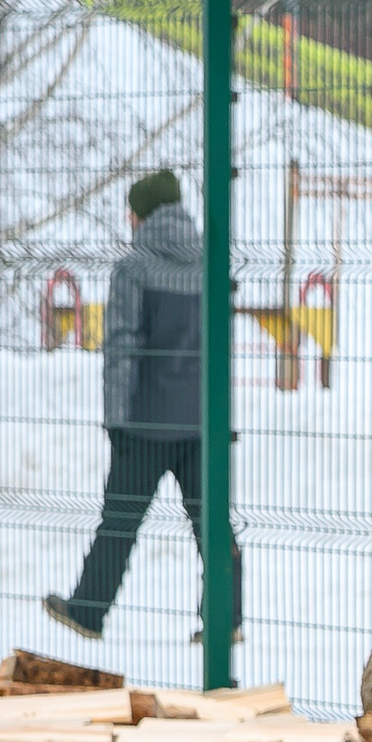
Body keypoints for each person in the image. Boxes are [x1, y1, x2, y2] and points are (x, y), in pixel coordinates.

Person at [43, 170, 241, 645]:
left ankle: (88, 612)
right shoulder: (210, 264)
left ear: (144, 214)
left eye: (131, 211)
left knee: (119, 522)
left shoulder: (133, 269)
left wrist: (116, 418)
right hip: (201, 421)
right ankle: (225, 620)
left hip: (146, 423)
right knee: (212, 523)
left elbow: (121, 348)